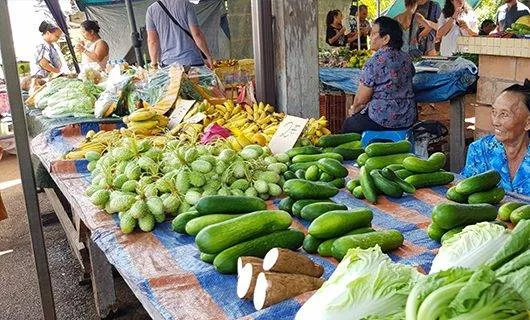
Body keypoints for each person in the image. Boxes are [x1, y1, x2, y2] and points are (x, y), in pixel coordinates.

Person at [342, 17, 416, 133]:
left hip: (383, 119)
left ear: (386, 38)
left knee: (349, 124)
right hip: (408, 117)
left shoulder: (374, 62)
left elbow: (361, 100)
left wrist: (353, 110)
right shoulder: (406, 58)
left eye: (373, 34)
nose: (370, 37)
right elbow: (411, 74)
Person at [461, 79, 530, 195]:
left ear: (527, 123)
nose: (495, 122)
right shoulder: (479, 151)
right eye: (494, 112)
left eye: (504, 114)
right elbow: (465, 194)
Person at [146, 0, 213, 68]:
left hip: (169, 65)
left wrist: (154, 64)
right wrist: (208, 56)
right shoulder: (186, 4)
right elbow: (197, 34)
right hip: (192, 62)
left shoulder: (151, 10)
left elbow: (152, 41)